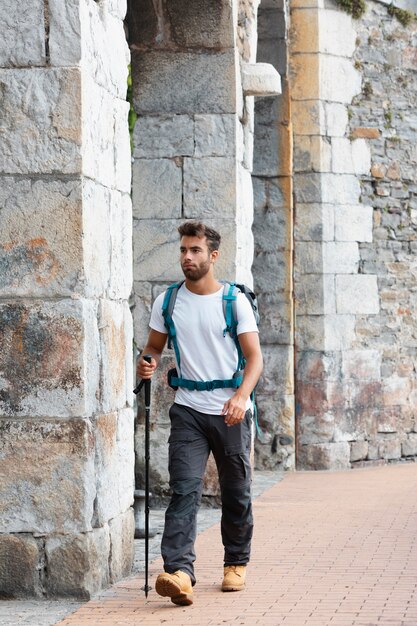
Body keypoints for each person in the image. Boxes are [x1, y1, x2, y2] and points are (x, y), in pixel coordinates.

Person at [137, 221, 263, 606]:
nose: (186, 257)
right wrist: (148, 362)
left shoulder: (233, 301)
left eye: (194, 250)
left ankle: (235, 563)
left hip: (230, 412)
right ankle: (179, 572)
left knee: (236, 493)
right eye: (183, 250)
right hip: (188, 410)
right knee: (184, 490)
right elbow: (154, 347)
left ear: (213, 256)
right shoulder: (168, 302)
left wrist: (242, 396)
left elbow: (255, 358)